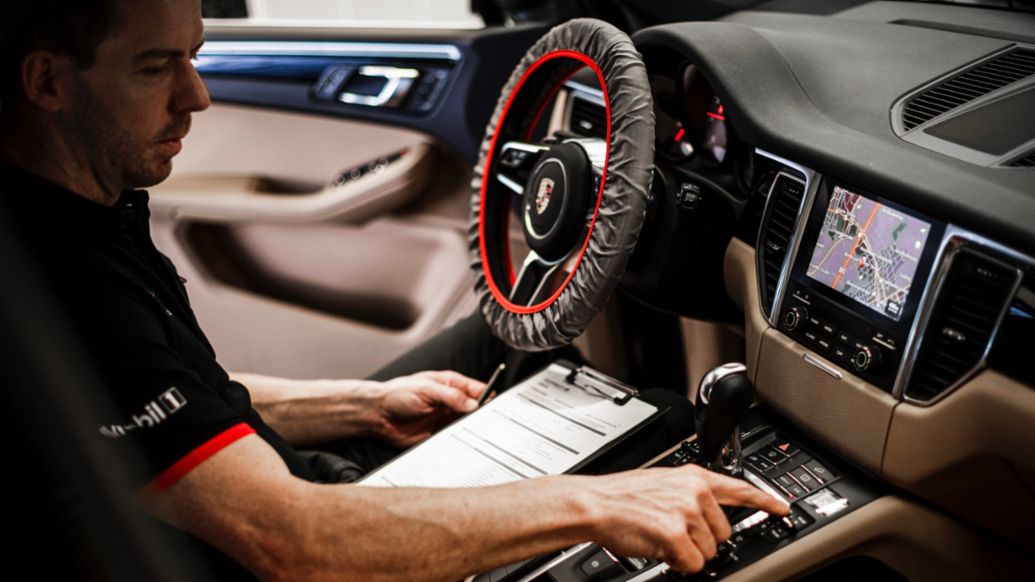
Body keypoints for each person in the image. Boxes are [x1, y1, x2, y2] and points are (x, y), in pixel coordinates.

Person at [0, 0, 788, 580]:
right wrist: (597, 504)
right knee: (660, 422)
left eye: (195, 58)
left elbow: (165, 400)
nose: (195, 96)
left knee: (504, 343)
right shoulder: (59, 281)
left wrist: (354, 404)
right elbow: (292, 543)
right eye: (154, 66)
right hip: (275, 544)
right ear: (46, 82)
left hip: (261, 488)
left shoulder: (82, 208)